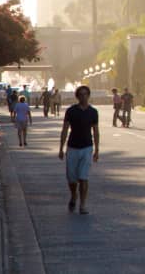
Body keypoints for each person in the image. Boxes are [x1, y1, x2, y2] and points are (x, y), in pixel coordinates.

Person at [59, 85, 100, 215]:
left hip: (87, 147)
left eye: (85, 94)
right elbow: (65, 129)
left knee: (83, 177)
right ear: (77, 96)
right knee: (72, 178)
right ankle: (73, 196)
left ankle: (82, 205)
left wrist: (97, 149)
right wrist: (61, 148)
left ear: (88, 95)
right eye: (81, 94)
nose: (83, 97)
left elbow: (96, 131)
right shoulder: (71, 111)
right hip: (72, 147)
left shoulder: (93, 112)